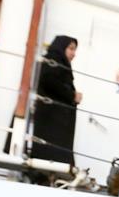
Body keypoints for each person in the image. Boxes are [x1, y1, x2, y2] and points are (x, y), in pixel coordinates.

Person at [30, 35, 82, 168]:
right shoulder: (53, 60)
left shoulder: (59, 63)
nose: (73, 54)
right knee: (52, 156)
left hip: (53, 122)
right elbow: (49, 80)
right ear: (61, 46)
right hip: (50, 122)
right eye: (71, 48)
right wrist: (72, 95)